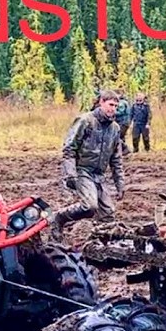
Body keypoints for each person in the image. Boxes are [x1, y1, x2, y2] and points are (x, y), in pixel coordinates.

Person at [49, 90, 126, 241]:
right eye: (110, 105)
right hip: (82, 170)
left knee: (108, 214)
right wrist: (70, 174)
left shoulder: (115, 128)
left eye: (116, 106)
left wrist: (120, 183)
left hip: (99, 175)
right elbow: (69, 148)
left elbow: (116, 159)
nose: (113, 109)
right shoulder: (86, 121)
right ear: (101, 102)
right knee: (89, 206)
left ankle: (100, 245)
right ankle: (59, 218)